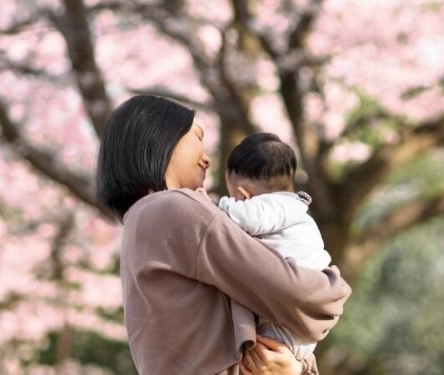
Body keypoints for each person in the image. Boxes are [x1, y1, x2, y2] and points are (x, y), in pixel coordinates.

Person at [96, 95, 351, 375]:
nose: (207, 158)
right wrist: (333, 287)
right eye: (197, 136)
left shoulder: (141, 221)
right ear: (161, 137)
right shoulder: (174, 208)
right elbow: (299, 294)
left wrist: (294, 368)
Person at [215, 133, 332, 361]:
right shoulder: (293, 209)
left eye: (234, 197)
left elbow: (246, 219)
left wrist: (216, 205)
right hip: (301, 326)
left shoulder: (269, 207)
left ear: (242, 194)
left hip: (283, 325)